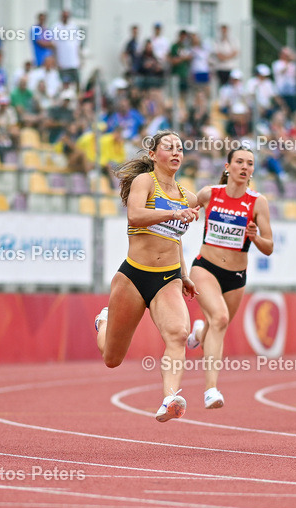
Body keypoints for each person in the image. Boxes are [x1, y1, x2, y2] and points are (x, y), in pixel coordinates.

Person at [94, 130, 200, 422]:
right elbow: (135, 216)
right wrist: (173, 214)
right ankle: (103, 321)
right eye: (169, 147)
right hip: (134, 277)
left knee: (178, 334)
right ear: (153, 155)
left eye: (180, 148)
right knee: (112, 358)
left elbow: (175, 239)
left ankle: (169, 398)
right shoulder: (145, 182)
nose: (176, 152)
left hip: (168, 279)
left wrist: (184, 274)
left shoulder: (187, 196)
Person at [185, 148, 273, 409]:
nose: (244, 167)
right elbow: (183, 213)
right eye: (239, 162)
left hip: (236, 276)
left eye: (250, 163)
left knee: (215, 327)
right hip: (205, 268)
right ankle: (210, 390)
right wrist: (188, 214)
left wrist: (255, 237)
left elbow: (269, 247)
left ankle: (198, 332)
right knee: (220, 318)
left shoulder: (258, 202)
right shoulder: (209, 194)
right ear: (228, 167)